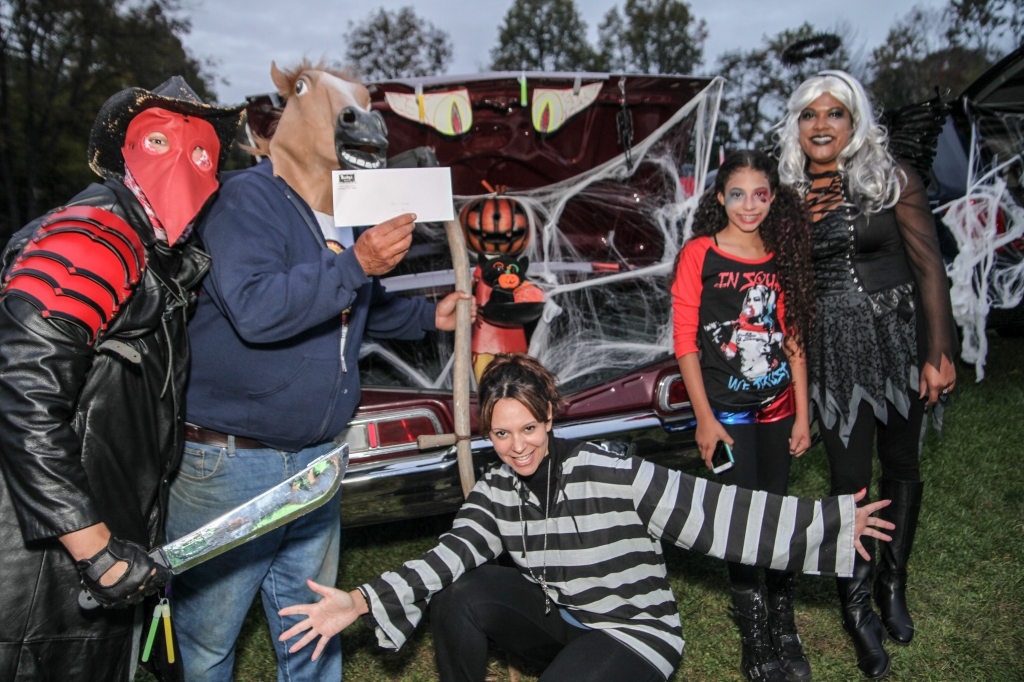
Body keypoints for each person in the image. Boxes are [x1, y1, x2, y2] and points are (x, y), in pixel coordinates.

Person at [275, 354, 894, 682]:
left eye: (527, 429)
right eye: (501, 434)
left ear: (549, 420)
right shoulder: (495, 490)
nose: (516, 446)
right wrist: (357, 602)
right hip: (564, 622)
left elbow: (716, 513)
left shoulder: (609, 471)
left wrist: (832, 524)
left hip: (634, 633)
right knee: (460, 592)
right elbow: (447, 556)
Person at [165, 92, 474, 682]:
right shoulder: (242, 199)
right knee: (207, 637)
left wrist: (422, 318)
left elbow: (353, 298)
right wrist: (356, 262)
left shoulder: (338, 206)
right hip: (234, 462)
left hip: (316, 459)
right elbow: (257, 309)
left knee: (314, 625)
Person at [0, 77, 243, 681]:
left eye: (202, 153)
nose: (183, 164)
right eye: (158, 140)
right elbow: (23, 393)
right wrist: (95, 549)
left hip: (98, 534)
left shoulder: (155, 252)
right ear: (124, 155)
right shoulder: (98, 237)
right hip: (45, 567)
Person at [775, 70, 957, 679]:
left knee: (902, 465)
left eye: (835, 113)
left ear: (855, 122)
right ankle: (855, 606)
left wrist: (940, 350)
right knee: (850, 478)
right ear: (796, 125)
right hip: (835, 351)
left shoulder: (892, 175)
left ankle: (892, 583)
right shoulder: (787, 195)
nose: (821, 125)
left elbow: (929, 265)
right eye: (809, 114)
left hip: (900, 339)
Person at [672, 150, 815, 682]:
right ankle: (754, 637)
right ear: (719, 199)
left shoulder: (782, 254)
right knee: (741, 518)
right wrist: (704, 419)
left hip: (778, 405)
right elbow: (686, 341)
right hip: (725, 411)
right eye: (737, 194)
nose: (748, 205)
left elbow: (794, 335)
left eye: (760, 194)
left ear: (773, 198)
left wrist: (801, 412)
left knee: (775, 510)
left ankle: (783, 622)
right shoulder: (701, 254)